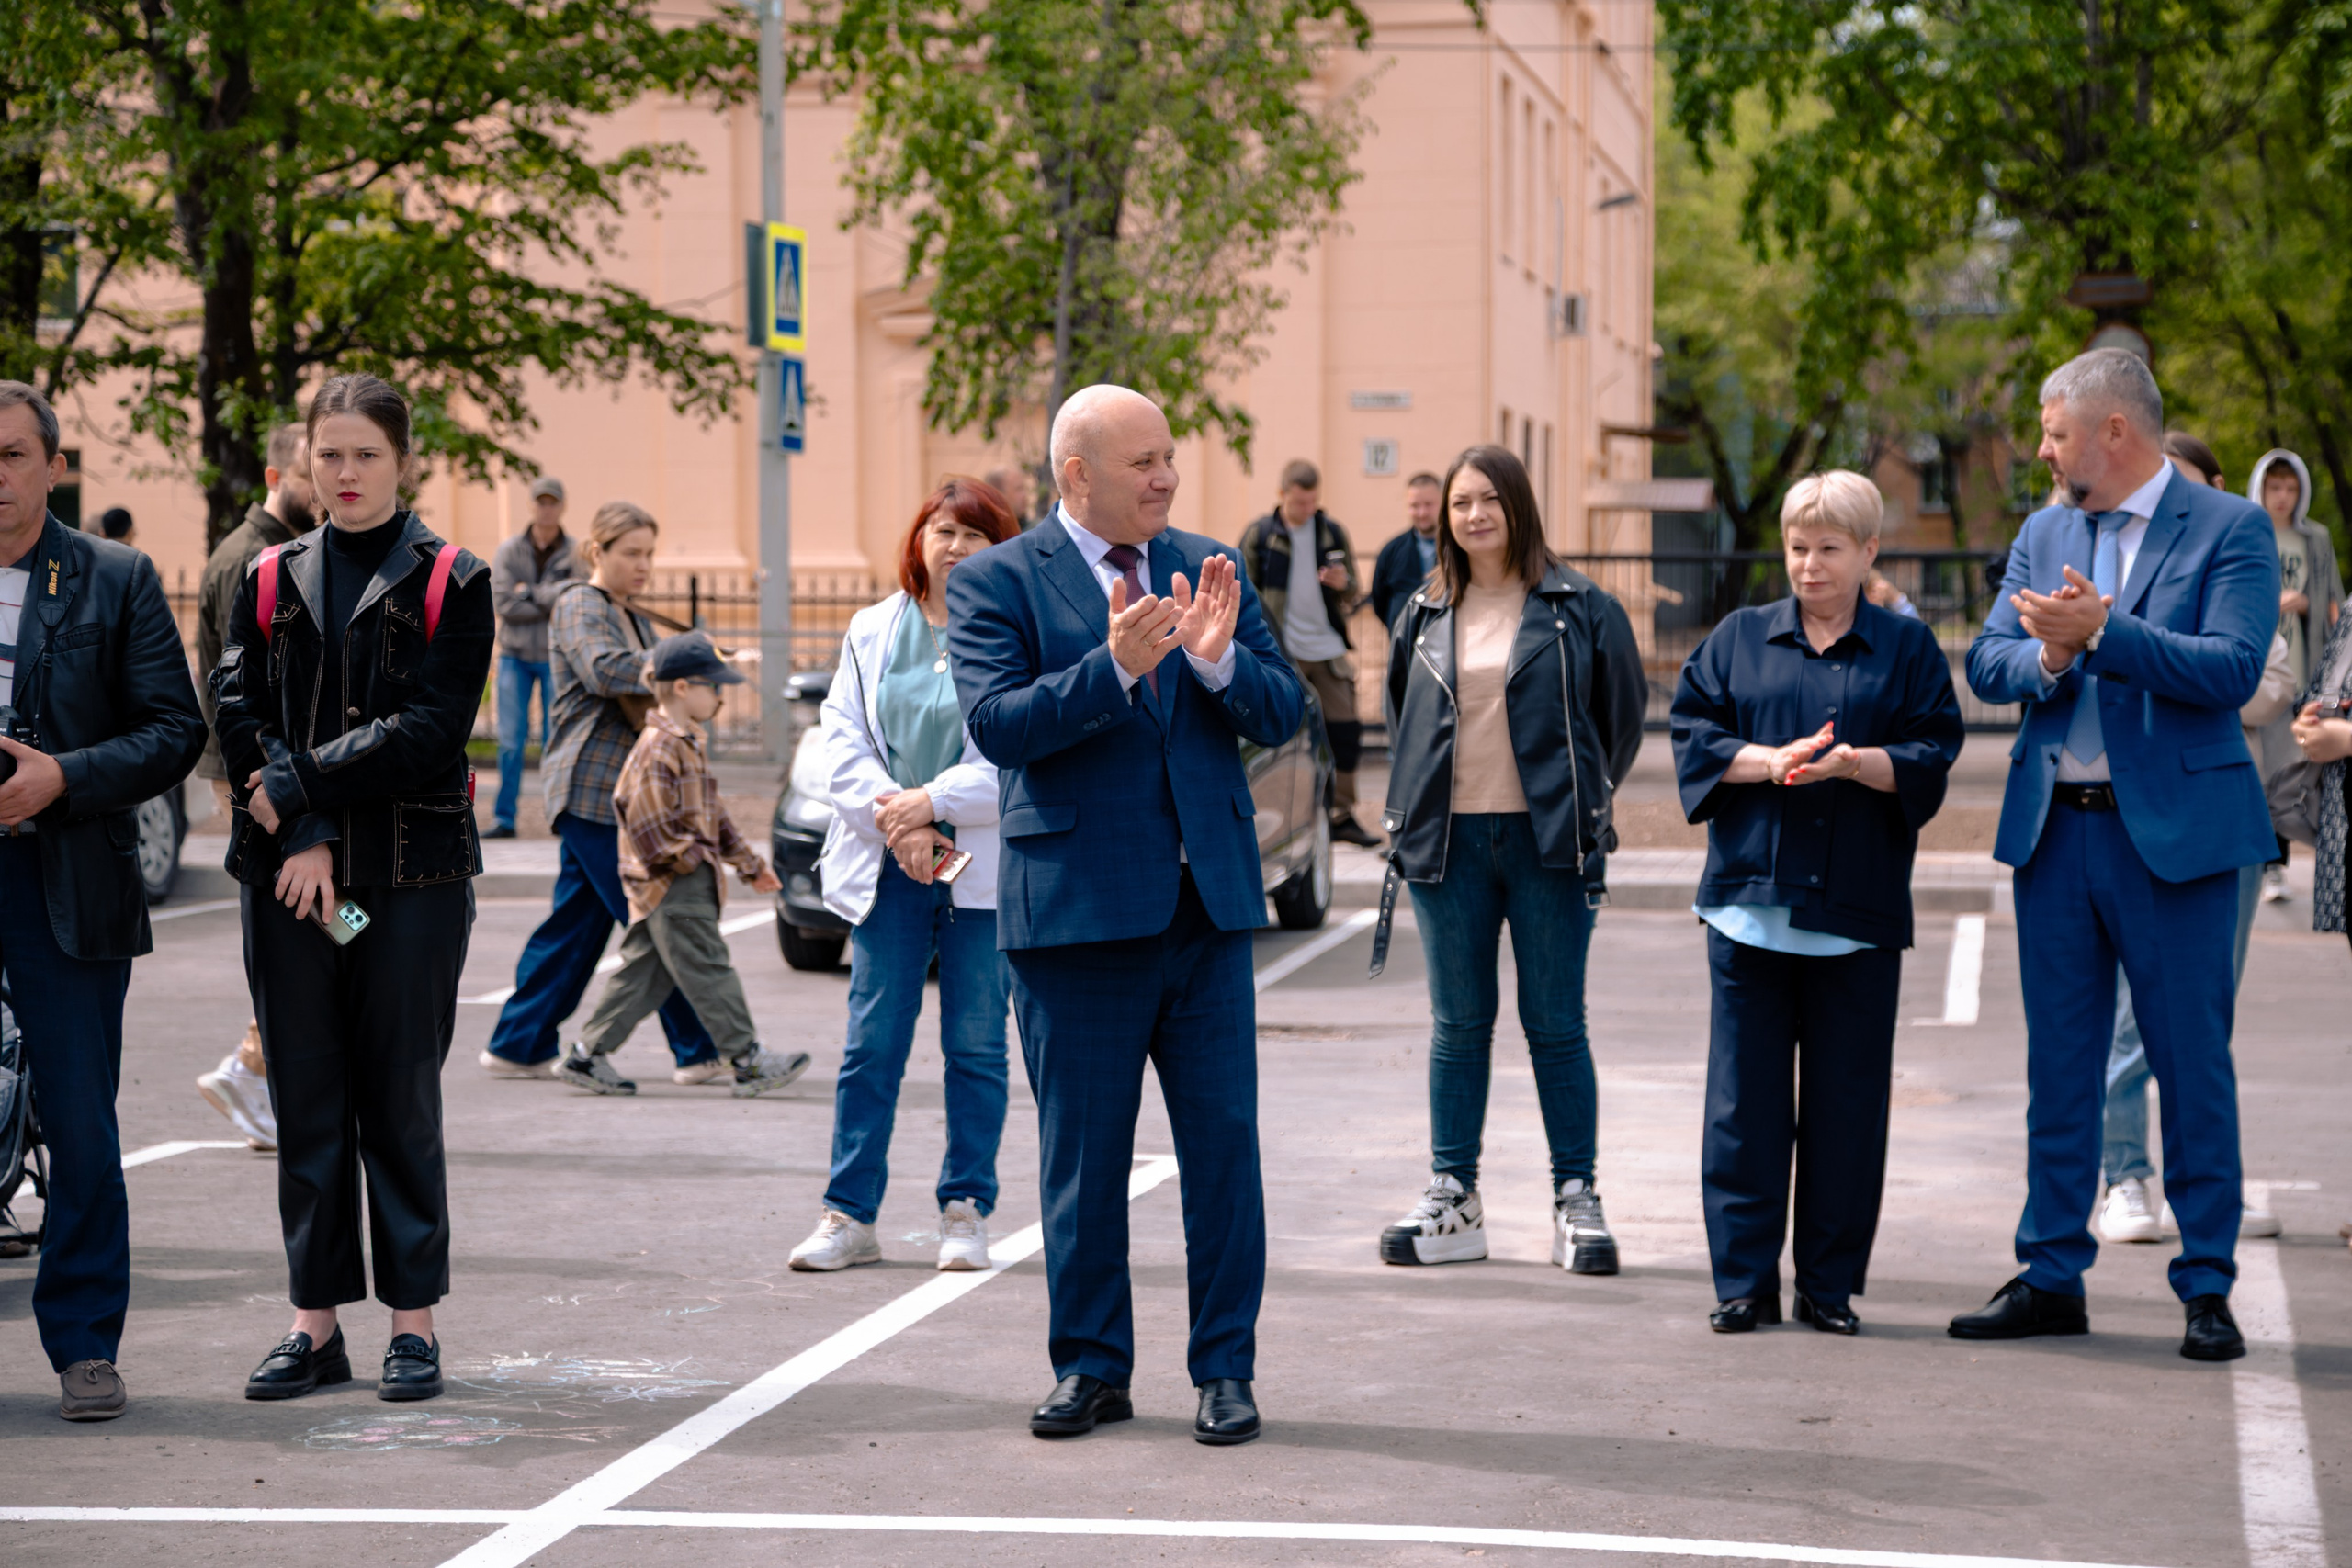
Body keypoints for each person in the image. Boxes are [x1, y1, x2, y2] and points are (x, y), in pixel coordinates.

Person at [946, 382, 1305, 1445]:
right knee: (1084, 1161)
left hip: (1205, 911)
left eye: (1168, 455)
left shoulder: (1206, 563)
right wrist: (1114, 669)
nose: (1166, 477)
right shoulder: (1001, 581)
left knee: (1223, 1154)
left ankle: (1225, 1371)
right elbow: (997, 725)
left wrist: (1214, 658)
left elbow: (1283, 709)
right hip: (1076, 920)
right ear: (1076, 476)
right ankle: (1092, 1367)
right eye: (1142, 461)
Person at [1958, 348, 2277, 1363]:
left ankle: (2206, 1288)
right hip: (2055, 832)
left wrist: (2104, 634)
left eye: (2052, 431)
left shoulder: (2231, 529)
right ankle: (2052, 1273)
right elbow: (1986, 659)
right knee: (2059, 1067)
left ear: (2112, 431)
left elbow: (2229, 670)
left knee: (2191, 1067)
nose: (2041, 448)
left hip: (2177, 842)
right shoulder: (2043, 529)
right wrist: (2051, 653)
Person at [211, 373, 493, 1404]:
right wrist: (306, 829)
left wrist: (296, 788)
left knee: (399, 1096)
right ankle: (314, 1325)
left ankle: (411, 1326)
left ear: (403, 461)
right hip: (290, 878)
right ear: (303, 461)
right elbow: (232, 698)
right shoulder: (268, 576)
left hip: (409, 880)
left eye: (364, 453)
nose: (344, 473)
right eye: (328, 453)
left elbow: (428, 731)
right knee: (307, 1096)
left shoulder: (454, 579)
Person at [1671, 471, 1962, 1335]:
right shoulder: (1738, 638)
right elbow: (1693, 734)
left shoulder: (1906, 651)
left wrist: (1855, 762)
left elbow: (1931, 752)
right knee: (1743, 1107)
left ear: (1870, 552)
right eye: (1799, 548)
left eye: (1830, 548)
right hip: (1747, 909)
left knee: (1846, 1110)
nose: (1809, 565)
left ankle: (1828, 1285)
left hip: (1857, 917)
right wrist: (1768, 760)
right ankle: (1743, 1282)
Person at [1374, 445, 1646, 1277]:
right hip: (1447, 846)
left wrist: (1579, 802)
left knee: (1556, 1025)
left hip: (1548, 845)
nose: (1474, 516)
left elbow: (1621, 720)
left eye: (1489, 500)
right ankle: (1453, 1194)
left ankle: (1577, 1196)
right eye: (1461, 503)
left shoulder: (1579, 606)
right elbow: (1401, 718)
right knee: (1458, 1026)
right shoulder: (1422, 608)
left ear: (1519, 505)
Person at [0, 380, 205, 1421]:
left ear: (54, 465)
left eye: (11, 456)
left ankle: (85, 1343)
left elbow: (176, 729)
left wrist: (62, 778)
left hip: (62, 877)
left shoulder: (113, 578)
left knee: (80, 1123)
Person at [789, 479, 1017, 1274]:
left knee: (977, 1044)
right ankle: (849, 1213)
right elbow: (840, 740)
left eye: (974, 535)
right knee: (871, 1043)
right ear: (919, 537)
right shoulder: (872, 628)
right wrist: (903, 822)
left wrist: (932, 803)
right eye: (943, 529)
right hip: (891, 864)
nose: (955, 546)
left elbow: (1014, 755)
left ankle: (966, 1207)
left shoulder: (1015, 631)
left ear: (1002, 547)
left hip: (982, 871)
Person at [2096, 434, 2289, 1246]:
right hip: (2133, 813)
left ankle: (2205, 1178)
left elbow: (2260, 678)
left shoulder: (2235, 547)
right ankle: (2126, 1174)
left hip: (2217, 817)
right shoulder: (2095, 552)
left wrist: (2181, 673)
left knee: (2204, 1020)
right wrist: (2185, 670)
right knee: (2136, 1019)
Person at [481, 502, 720, 1082]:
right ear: (598, 552)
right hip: (594, 789)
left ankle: (518, 1044)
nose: (643, 566)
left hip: (617, 793)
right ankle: (703, 1050)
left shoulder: (627, 612)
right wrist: (687, 662)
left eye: (649, 554)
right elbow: (605, 670)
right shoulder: (579, 603)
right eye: (630, 553)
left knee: (576, 928)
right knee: (659, 918)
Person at [560, 633, 807, 1097]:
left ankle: (585, 1056)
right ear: (680, 688)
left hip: (668, 883)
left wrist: (749, 865)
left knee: (644, 973)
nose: (720, 695)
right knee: (708, 966)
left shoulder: (683, 743)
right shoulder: (659, 748)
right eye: (712, 686)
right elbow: (651, 829)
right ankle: (749, 1060)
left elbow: (713, 817)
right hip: (673, 882)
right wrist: (691, 858)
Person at [192, 421, 318, 1155]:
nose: (328, 487)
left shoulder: (253, 551)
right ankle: (249, 1064)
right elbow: (246, 689)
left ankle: (256, 1064)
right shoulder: (258, 558)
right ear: (277, 479)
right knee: (318, 923)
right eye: (314, 472)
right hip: (261, 776)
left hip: (255, 772)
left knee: (311, 924)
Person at [1238, 461, 1380, 848]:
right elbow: (1243, 594)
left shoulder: (1330, 532)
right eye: (1300, 502)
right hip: (1283, 652)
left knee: (1346, 729)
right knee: (1288, 735)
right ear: (1283, 495)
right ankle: (1287, 816)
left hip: (1328, 649)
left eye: (1313, 501)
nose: (1306, 509)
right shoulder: (1262, 535)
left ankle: (1341, 814)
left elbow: (1352, 590)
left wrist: (1343, 583)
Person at [2245, 448, 2344, 903]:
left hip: (2307, 670)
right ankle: (2265, 863)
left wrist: (2304, 604)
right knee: (2262, 770)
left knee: (2293, 771)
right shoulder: (2246, 532)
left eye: (2290, 487)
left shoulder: (2316, 540)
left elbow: (2334, 606)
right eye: (2274, 486)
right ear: (2260, 488)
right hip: (2262, 672)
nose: (2282, 496)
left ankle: (2279, 865)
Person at [486, 476, 582, 840]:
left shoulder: (575, 552)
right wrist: (547, 599)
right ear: (532, 505)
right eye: (541, 501)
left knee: (554, 740)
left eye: (552, 502)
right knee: (511, 742)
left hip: (556, 658)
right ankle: (505, 819)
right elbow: (504, 603)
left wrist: (530, 594)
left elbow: (576, 597)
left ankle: (558, 815)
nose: (546, 508)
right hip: (514, 656)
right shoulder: (510, 550)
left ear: (561, 506)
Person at [1369, 471, 1444, 631]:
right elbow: (1379, 601)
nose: (1422, 513)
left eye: (1429, 504)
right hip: (1404, 647)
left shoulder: (1459, 550)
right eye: (1415, 506)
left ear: (1443, 503)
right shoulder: (1391, 551)